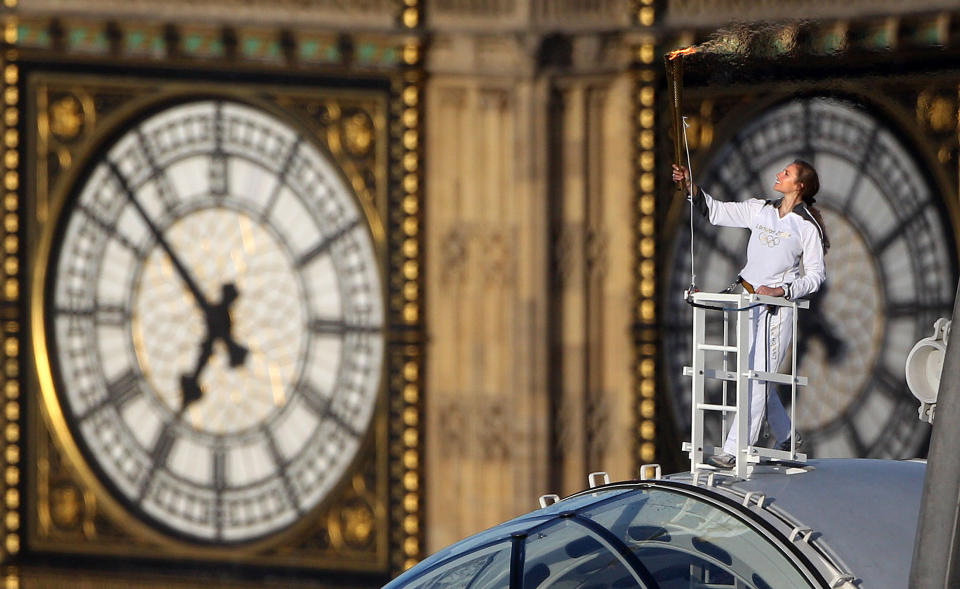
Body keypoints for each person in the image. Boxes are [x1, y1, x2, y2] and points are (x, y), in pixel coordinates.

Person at [671, 160, 828, 468]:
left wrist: (782, 291)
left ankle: (734, 449)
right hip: (746, 301)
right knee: (754, 373)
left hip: (774, 310)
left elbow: (815, 275)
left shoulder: (807, 227)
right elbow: (717, 211)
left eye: (787, 173)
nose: (780, 174)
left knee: (756, 378)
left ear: (800, 186)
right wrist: (690, 185)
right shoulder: (761, 209)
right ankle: (786, 436)